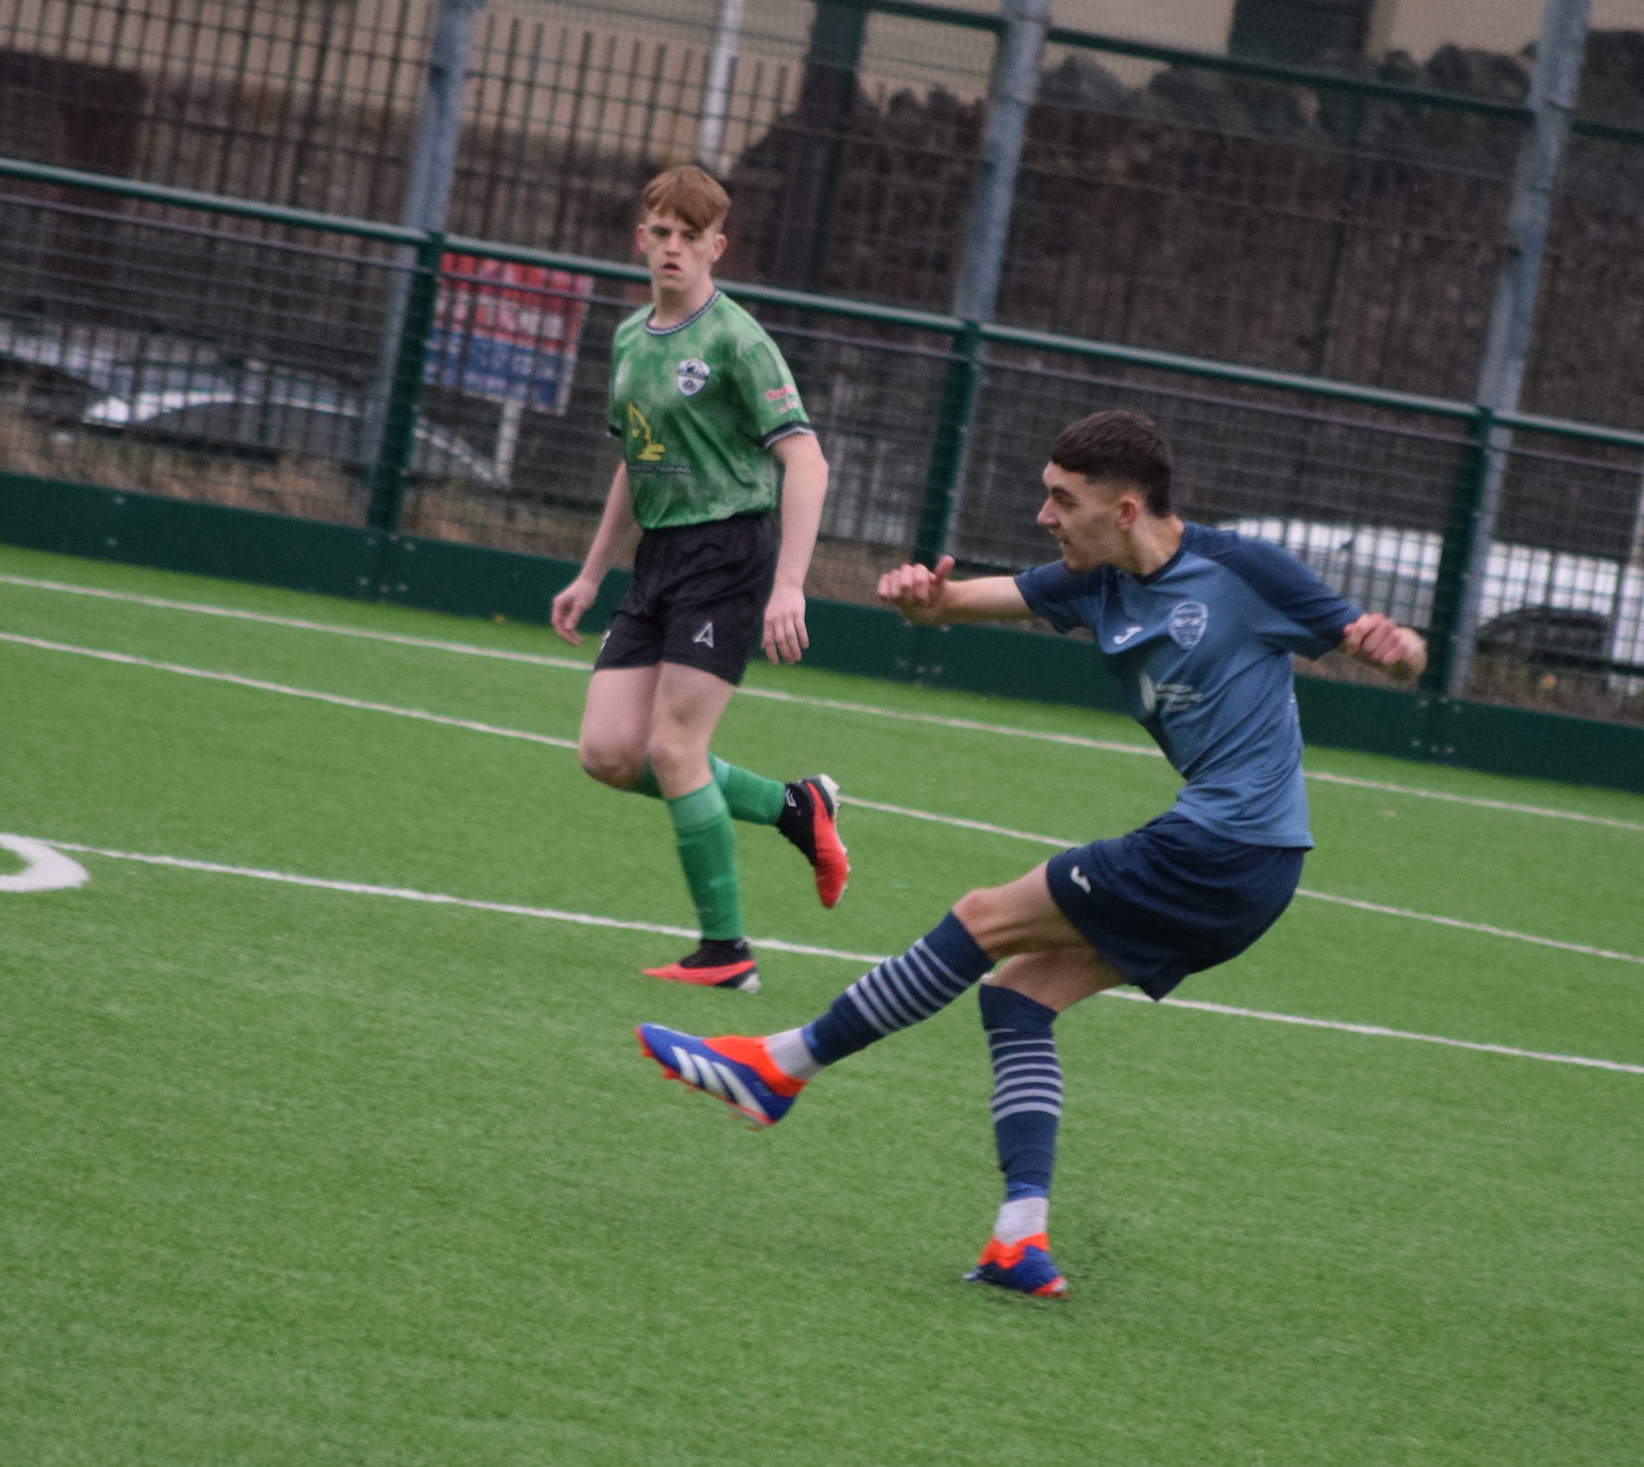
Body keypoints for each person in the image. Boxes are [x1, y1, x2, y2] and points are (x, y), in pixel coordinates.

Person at [634, 409, 1427, 1296]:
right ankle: (1020, 1240)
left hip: (1223, 847)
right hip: (1247, 869)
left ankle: (781, 1065)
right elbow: (960, 603)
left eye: (1063, 499)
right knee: (1016, 996)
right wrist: (919, 599)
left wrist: (1392, 649)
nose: (1044, 515)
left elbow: (1395, 653)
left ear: (1125, 509)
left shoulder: (1240, 570)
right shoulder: (1094, 583)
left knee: (983, 916)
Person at [551, 164, 849, 994]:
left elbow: (806, 458)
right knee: (610, 752)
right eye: (661, 232)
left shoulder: (736, 340)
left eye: (690, 237)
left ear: (717, 247)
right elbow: (633, 461)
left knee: (677, 747)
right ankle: (798, 809)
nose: (673, 248)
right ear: (640, 239)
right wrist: (588, 575)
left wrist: (790, 583)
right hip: (660, 560)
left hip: (728, 551)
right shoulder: (626, 338)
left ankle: (727, 952)